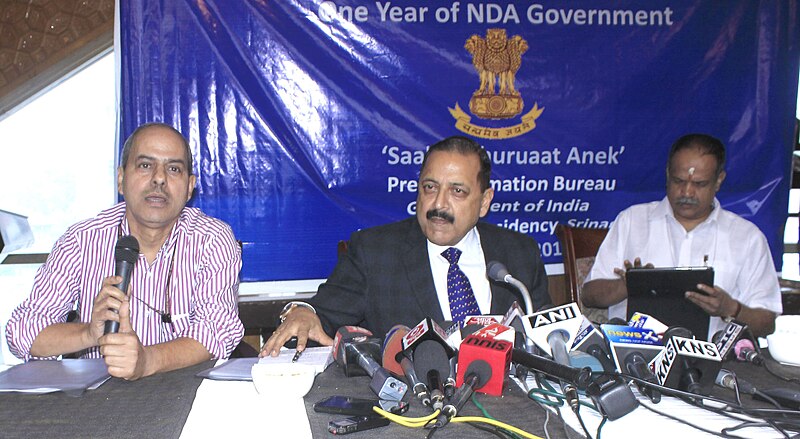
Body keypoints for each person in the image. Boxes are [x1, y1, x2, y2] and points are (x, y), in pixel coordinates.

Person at [261, 135, 551, 357]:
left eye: (457, 191)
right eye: (430, 187)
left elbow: (545, 335)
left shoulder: (519, 254)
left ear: (485, 201)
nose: (439, 204)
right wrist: (301, 312)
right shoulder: (374, 251)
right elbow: (318, 314)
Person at [6, 123, 244, 380]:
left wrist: (147, 360)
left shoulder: (213, 239)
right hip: (103, 398)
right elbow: (22, 332)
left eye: (174, 169)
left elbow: (219, 331)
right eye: (145, 165)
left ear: (189, 187)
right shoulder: (81, 240)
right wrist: (89, 333)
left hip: (187, 392)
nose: (159, 178)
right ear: (121, 179)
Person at [581, 133, 782, 338]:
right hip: (635, 360)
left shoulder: (747, 238)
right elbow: (589, 296)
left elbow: (767, 324)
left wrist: (730, 308)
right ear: (668, 174)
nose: (687, 192)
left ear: (719, 180)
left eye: (699, 184)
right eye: (678, 181)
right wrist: (628, 286)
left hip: (716, 360)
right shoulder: (632, 221)